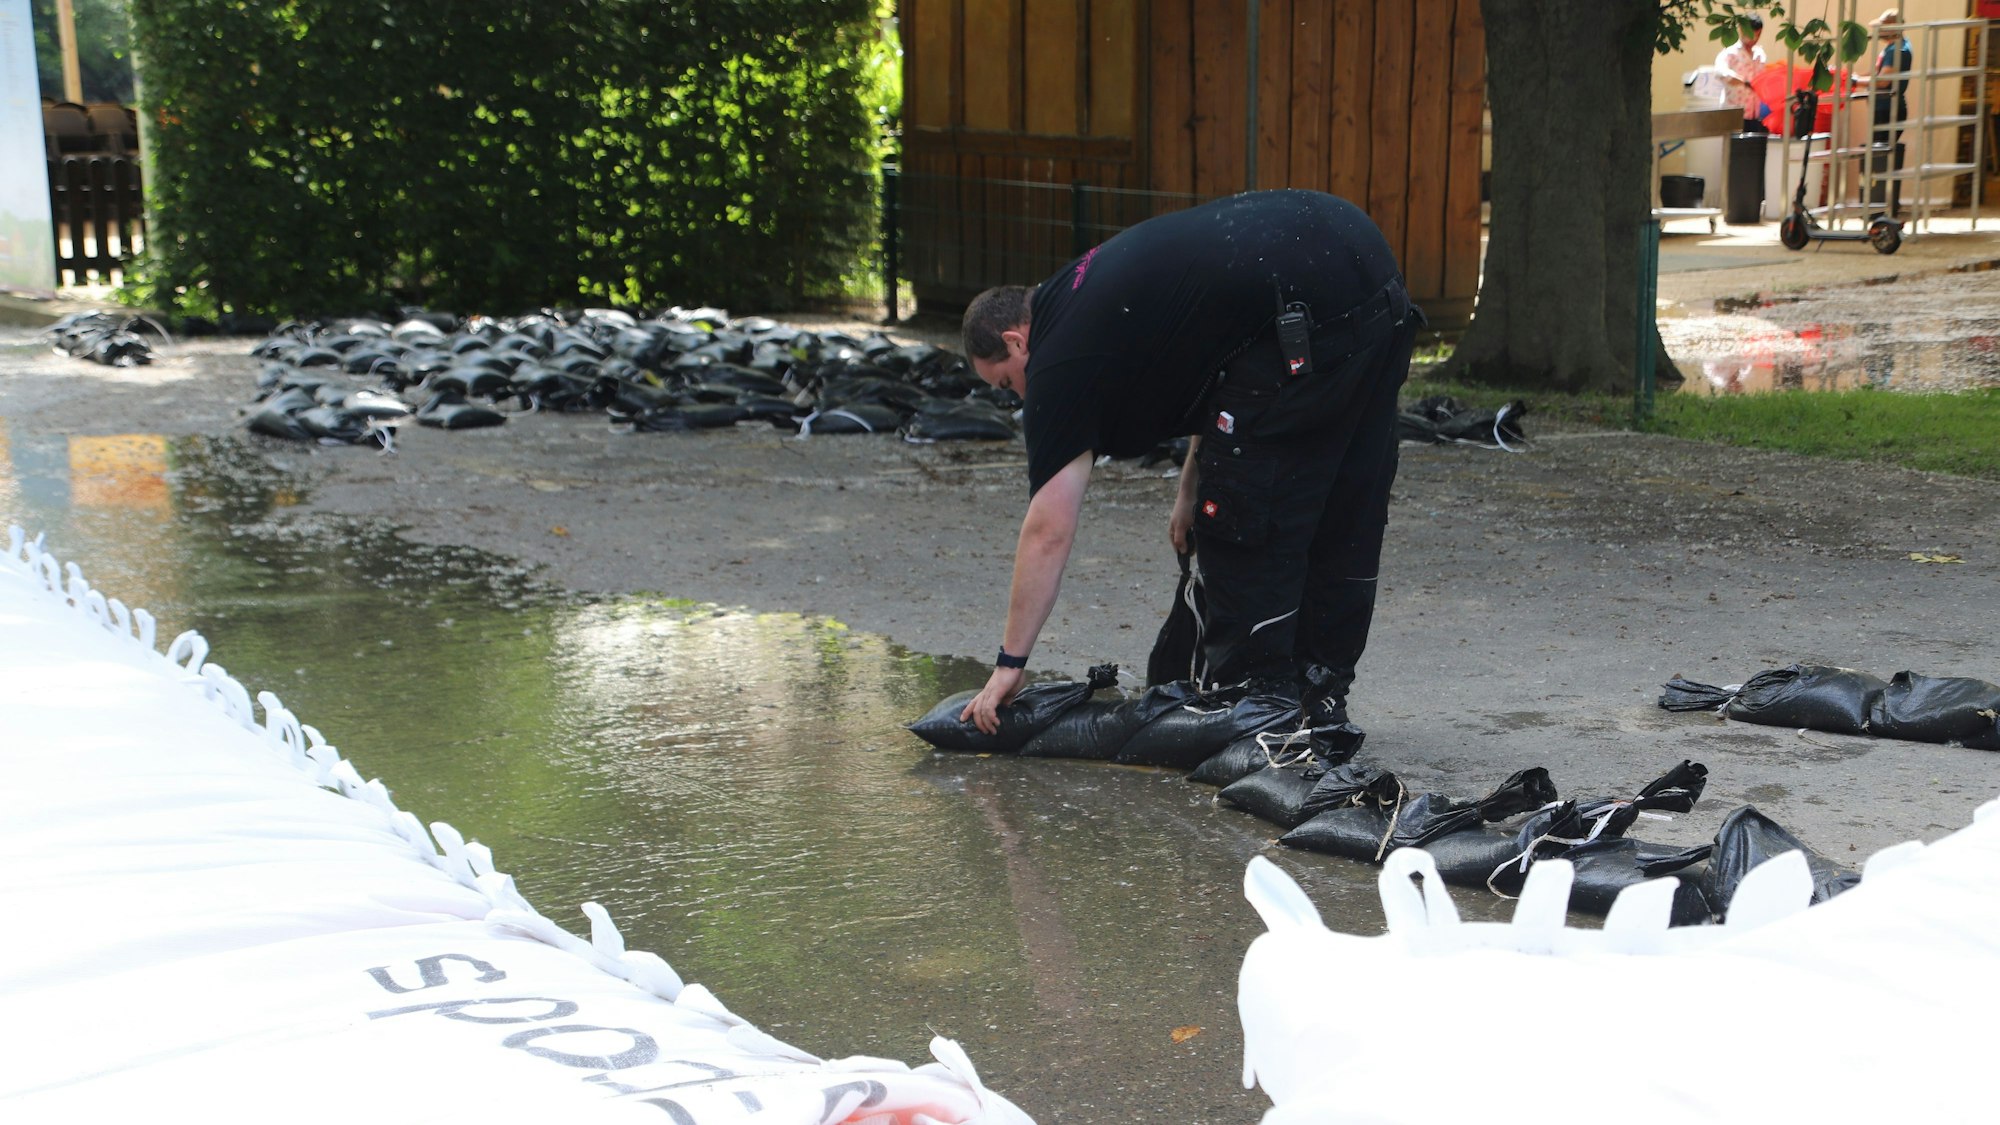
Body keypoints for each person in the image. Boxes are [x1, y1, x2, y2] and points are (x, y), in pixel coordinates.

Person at [956, 189, 1420, 737]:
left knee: (1246, 516)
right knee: (1348, 508)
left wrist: (1011, 664)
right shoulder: (1084, 293)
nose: (1019, 399)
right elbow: (1214, 354)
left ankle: (1259, 708)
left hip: (1309, 309)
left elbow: (1048, 529)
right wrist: (1187, 488)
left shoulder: (1058, 359)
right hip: (1369, 274)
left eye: (1009, 383)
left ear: (1015, 341)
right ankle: (1322, 697)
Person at [1864, 9, 1912, 218]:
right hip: (1885, 108)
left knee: (1880, 156)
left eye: (1883, 27)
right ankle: (1884, 204)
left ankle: (1880, 207)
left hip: (1887, 109)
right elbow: (1878, 76)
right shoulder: (1896, 47)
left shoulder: (1896, 50)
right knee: (1882, 155)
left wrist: (1855, 82)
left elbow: (1883, 81)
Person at [1715, 15, 1769, 129]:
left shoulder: (1760, 55)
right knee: (1735, 146)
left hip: (1755, 114)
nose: (1755, 38)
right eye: (1752, 34)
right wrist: (1743, 82)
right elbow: (1720, 72)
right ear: (1742, 30)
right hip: (1734, 115)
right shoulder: (1730, 53)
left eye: (1758, 34)